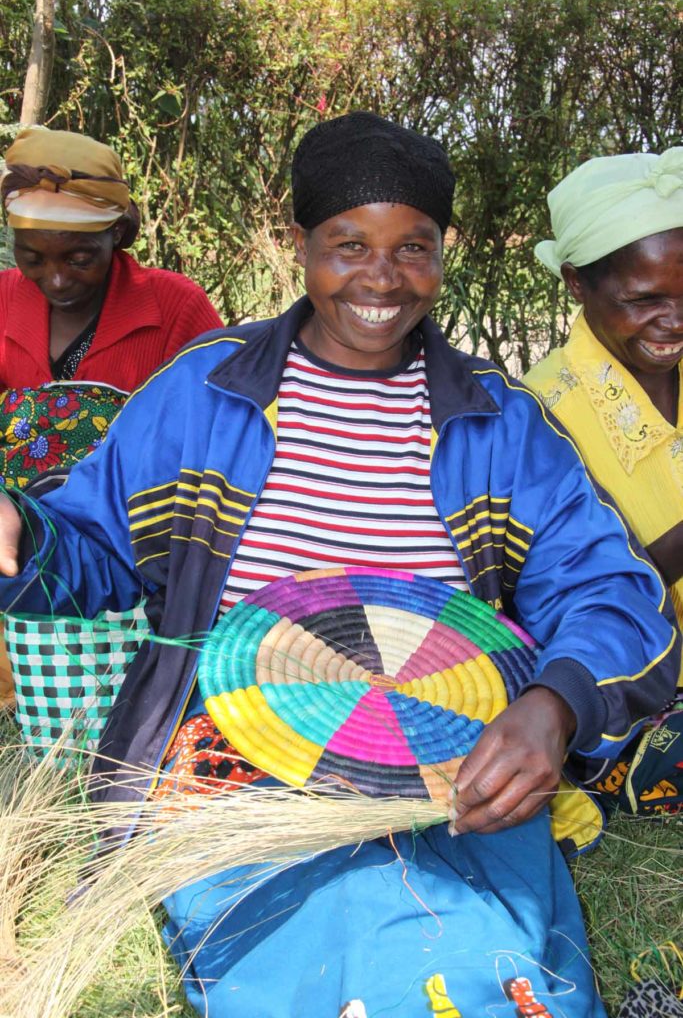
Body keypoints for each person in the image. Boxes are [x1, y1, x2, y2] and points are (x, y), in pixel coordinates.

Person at [0, 113, 678, 1017]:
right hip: (233, 753)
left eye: (413, 247)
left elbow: (613, 593)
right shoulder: (204, 392)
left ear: (443, 252)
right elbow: (89, 552)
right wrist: (20, 532)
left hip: (456, 751)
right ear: (300, 246)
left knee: (482, 947)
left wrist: (553, 706)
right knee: (336, 940)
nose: (381, 277)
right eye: (347, 244)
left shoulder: (498, 420)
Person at [0, 128, 222, 706]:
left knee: (106, 711)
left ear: (118, 235)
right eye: (32, 258)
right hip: (11, 538)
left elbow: (214, 434)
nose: (55, 278)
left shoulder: (174, 308)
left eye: (79, 258)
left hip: (126, 554)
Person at [525, 149, 683, 813]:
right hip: (636, 685)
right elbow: (548, 602)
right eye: (644, 301)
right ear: (574, 282)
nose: (673, 321)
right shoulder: (537, 414)